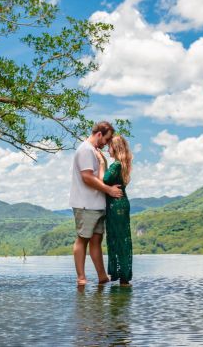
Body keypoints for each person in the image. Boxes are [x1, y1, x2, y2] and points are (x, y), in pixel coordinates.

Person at [69, 121, 123, 286]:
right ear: (99, 134)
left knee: (96, 241)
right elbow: (87, 177)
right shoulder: (85, 150)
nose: (107, 143)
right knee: (82, 239)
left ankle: (102, 277)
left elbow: (100, 176)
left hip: (97, 204)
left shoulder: (94, 151)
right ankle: (81, 278)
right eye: (106, 139)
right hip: (85, 204)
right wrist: (109, 190)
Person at [96, 135, 133, 286]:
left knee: (116, 238)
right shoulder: (123, 165)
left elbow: (103, 180)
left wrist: (101, 163)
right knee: (122, 238)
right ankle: (123, 276)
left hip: (116, 206)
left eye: (109, 146)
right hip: (121, 204)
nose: (107, 149)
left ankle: (120, 276)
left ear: (115, 148)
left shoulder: (116, 165)